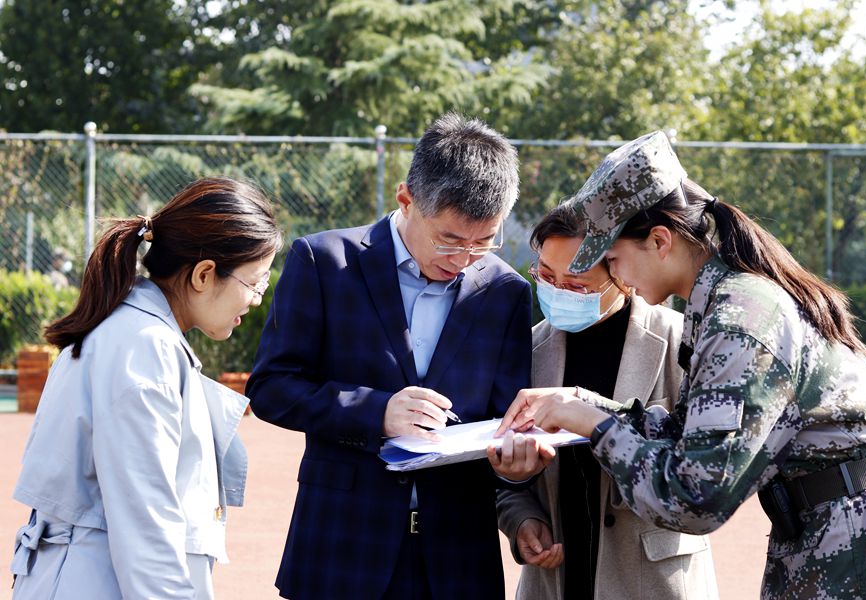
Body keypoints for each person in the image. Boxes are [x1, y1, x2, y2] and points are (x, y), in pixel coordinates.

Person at [497, 131, 866, 599]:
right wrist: (581, 405)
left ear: (659, 241)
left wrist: (596, 426)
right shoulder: (721, 302)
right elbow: (686, 431)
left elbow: (696, 497)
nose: (616, 275)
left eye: (613, 258)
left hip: (847, 547)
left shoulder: (741, 319)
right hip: (825, 532)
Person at [247, 112, 552, 600]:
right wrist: (377, 412)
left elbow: (503, 421)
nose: (463, 259)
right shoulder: (324, 263)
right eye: (450, 240)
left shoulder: (505, 291)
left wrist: (513, 465)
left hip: (457, 561)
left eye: (483, 242)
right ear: (406, 199)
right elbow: (272, 388)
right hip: (341, 549)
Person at [10, 177, 282, 599]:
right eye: (255, 283)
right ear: (204, 274)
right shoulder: (144, 348)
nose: (257, 299)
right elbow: (146, 528)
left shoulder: (135, 334)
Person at [496, 203, 718, 600]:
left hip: (653, 578)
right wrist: (521, 516)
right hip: (557, 573)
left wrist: (591, 413)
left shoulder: (681, 341)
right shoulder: (527, 349)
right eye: (545, 276)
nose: (557, 292)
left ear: (621, 274)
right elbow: (501, 470)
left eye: (577, 285)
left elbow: (703, 464)